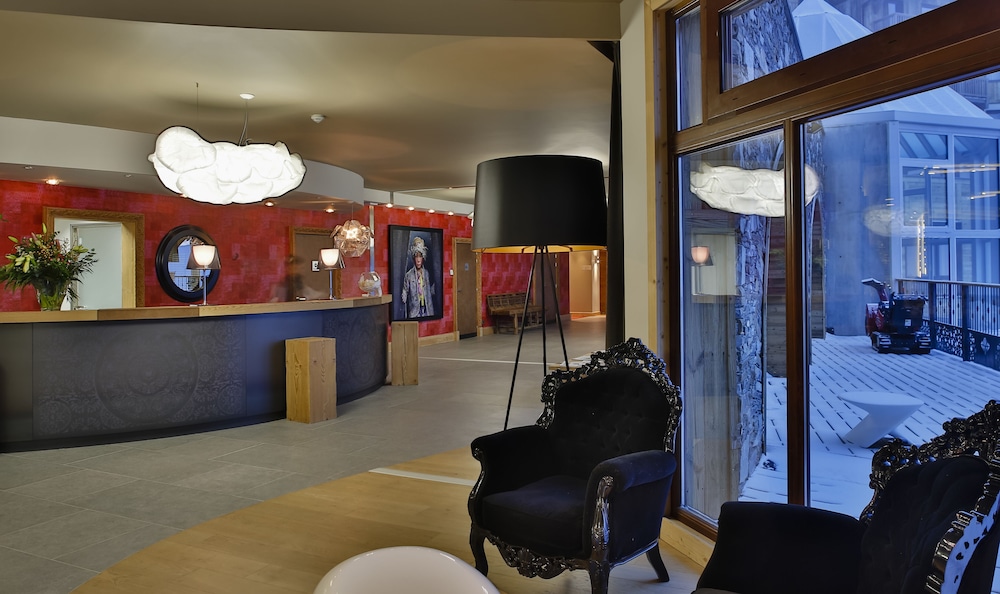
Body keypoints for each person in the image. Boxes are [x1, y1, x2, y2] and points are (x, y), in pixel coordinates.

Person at [400, 236, 434, 318]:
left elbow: (429, 291)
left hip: (427, 310)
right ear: (413, 258)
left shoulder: (426, 273)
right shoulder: (409, 275)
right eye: (416, 256)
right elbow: (405, 290)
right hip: (415, 311)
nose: (418, 260)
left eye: (420, 256)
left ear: (423, 258)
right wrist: (404, 295)